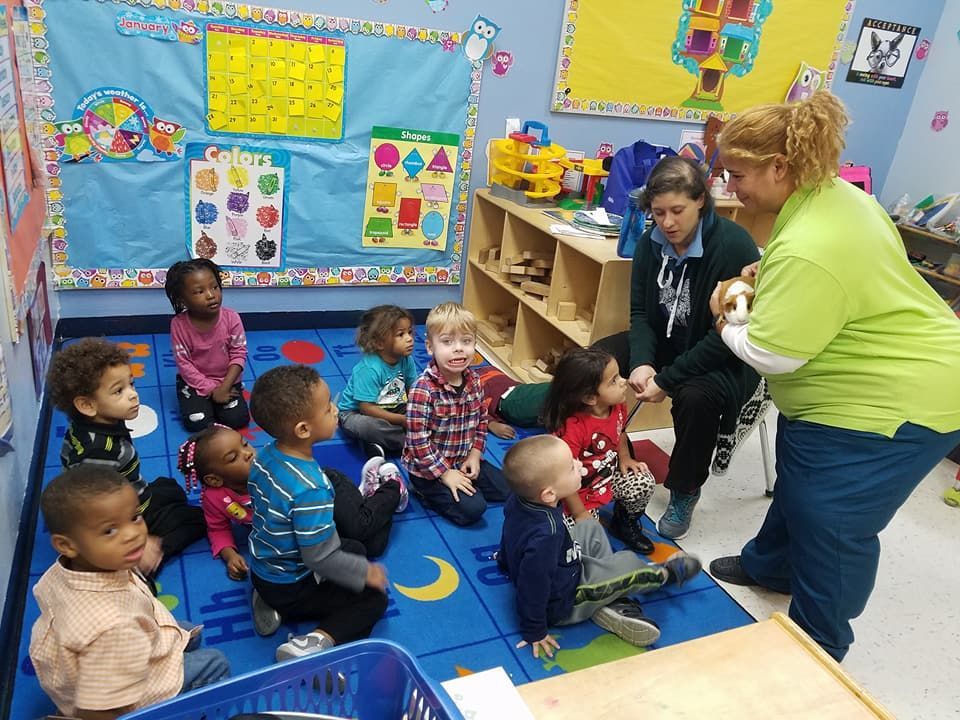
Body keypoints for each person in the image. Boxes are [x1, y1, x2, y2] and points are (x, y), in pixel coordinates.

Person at [708, 90, 960, 662]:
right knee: (802, 480)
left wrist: (724, 318)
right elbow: (834, 276)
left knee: (831, 521)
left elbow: (772, 354)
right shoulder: (835, 194)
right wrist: (770, 275)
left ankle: (818, 648)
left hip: (897, 399)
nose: (731, 187)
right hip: (850, 388)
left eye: (738, 174)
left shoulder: (810, 244)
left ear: (779, 167)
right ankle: (769, 565)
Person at [594, 155, 761, 540]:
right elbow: (640, 313)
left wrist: (667, 379)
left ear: (701, 200)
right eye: (658, 213)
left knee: (696, 398)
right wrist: (641, 364)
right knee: (595, 363)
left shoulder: (734, 246)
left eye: (677, 211)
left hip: (724, 355)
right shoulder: (651, 244)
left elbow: (727, 334)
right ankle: (614, 452)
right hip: (667, 345)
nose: (667, 223)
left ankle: (685, 489)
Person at [30, 466, 229, 719]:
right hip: (126, 692)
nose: (134, 535)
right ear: (66, 544)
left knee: (187, 631)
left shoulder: (71, 565)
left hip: (82, 665)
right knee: (215, 662)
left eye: (135, 517)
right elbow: (100, 711)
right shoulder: (116, 628)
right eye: (110, 531)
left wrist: (129, 555)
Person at [497, 435, 701, 658]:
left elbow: (510, 536)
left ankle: (608, 598)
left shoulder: (520, 501)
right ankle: (664, 575)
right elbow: (533, 587)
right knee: (627, 564)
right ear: (549, 494)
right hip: (566, 599)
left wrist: (506, 562)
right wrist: (535, 631)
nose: (578, 464)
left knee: (590, 527)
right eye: (570, 467)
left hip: (566, 565)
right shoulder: (547, 535)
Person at [247, 365, 392, 661]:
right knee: (374, 598)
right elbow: (319, 558)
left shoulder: (264, 455)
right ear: (303, 429)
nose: (336, 410)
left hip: (262, 569)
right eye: (327, 408)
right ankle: (314, 644)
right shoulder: (312, 488)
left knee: (354, 548)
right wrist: (366, 573)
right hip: (291, 585)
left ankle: (265, 598)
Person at [48, 338, 206, 577]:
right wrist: (139, 540)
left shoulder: (96, 421)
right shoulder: (98, 452)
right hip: (121, 513)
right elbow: (100, 508)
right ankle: (145, 559)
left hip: (130, 490)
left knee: (170, 487)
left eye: (131, 385)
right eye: (118, 391)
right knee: (198, 519)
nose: (133, 396)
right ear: (87, 405)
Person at [403, 302, 510, 526]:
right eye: (447, 342)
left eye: (466, 341)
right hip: (429, 469)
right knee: (474, 509)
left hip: (462, 458)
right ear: (430, 347)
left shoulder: (475, 383)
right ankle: (423, 491)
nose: (458, 348)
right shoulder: (423, 389)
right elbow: (418, 441)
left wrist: (474, 455)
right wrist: (444, 473)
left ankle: (464, 480)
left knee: (508, 489)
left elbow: (481, 422)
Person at [542, 347, 657, 554]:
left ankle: (624, 522)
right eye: (614, 380)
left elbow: (620, 431)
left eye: (620, 375)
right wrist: (580, 513)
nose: (623, 381)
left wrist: (625, 457)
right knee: (584, 548)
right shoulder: (573, 427)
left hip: (605, 478)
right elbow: (562, 475)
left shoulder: (617, 405)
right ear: (590, 398)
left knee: (643, 480)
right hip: (576, 492)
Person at [165, 258, 250, 432]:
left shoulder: (232, 318)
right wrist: (212, 390)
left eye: (214, 287)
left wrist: (225, 387)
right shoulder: (178, 324)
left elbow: (239, 354)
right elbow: (184, 364)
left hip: (227, 379)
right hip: (194, 382)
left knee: (238, 419)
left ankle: (223, 399)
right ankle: (203, 401)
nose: (211, 295)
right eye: (199, 291)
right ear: (182, 300)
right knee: (197, 422)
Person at [177, 425, 256, 582]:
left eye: (245, 443)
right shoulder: (214, 498)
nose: (248, 453)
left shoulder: (273, 470)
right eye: (233, 458)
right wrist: (230, 555)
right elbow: (218, 529)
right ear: (214, 480)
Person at [337, 304, 417, 457]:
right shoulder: (369, 368)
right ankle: (411, 442)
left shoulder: (407, 360)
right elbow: (367, 408)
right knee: (371, 427)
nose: (409, 339)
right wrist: (401, 420)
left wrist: (418, 412)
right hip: (357, 413)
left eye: (410, 332)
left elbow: (413, 390)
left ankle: (377, 444)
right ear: (380, 343)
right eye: (400, 334)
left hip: (393, 406)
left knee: (427, 411)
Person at [476, 365, 550, 440]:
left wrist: (491, 424)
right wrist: (491, 424)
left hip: (511, 392)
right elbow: (472, 408)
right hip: (508, 397)